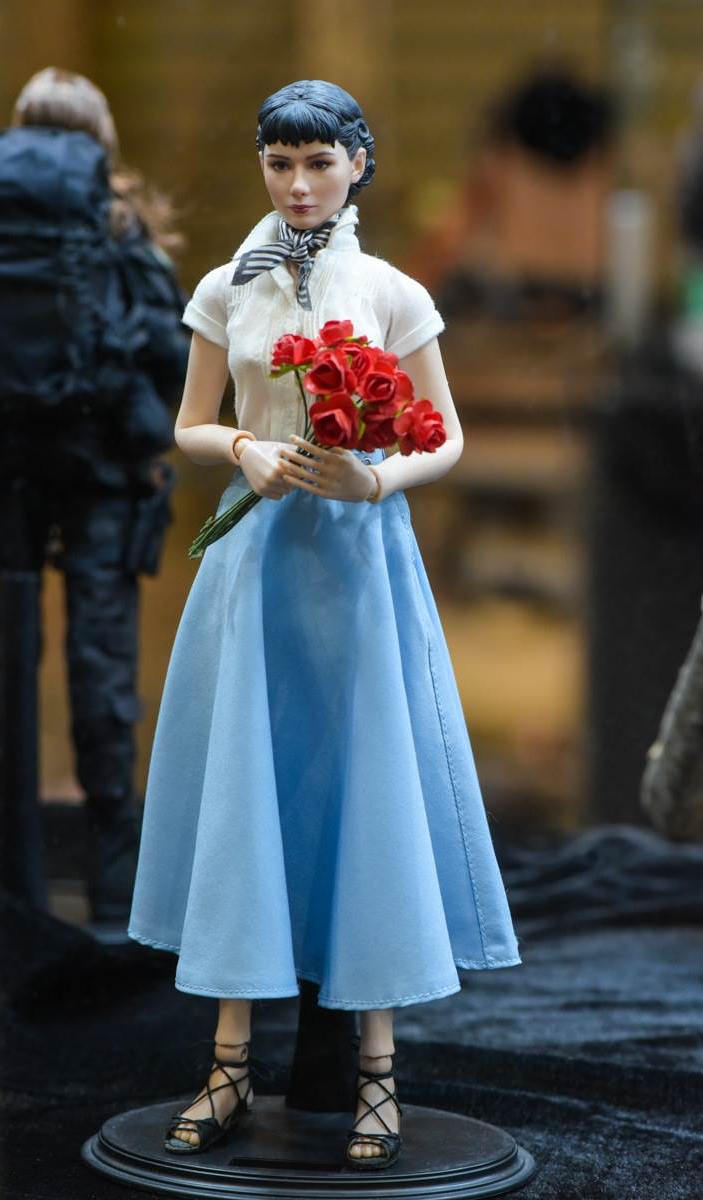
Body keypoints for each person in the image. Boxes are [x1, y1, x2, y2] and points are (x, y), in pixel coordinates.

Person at [127, 79, 520, 1169]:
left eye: (317, 162)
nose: (298, 185)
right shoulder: (227, 286)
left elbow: (444, 434)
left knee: (366, 789)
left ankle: (375, 1073)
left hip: (353, 563)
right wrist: (241, 449)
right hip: (255, 564)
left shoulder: (391, 291)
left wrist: (376, 479)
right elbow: (188, 422)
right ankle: (228, 1062)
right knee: (243, 790)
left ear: (357, 164)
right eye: (279, 163)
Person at [0, 68, 190, 923]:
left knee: (1, 655)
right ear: (102, 142)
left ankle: (6, 878)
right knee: (100, 655)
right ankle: (111, 887)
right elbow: (174, 358)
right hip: (99, 468)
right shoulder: (122, 236)